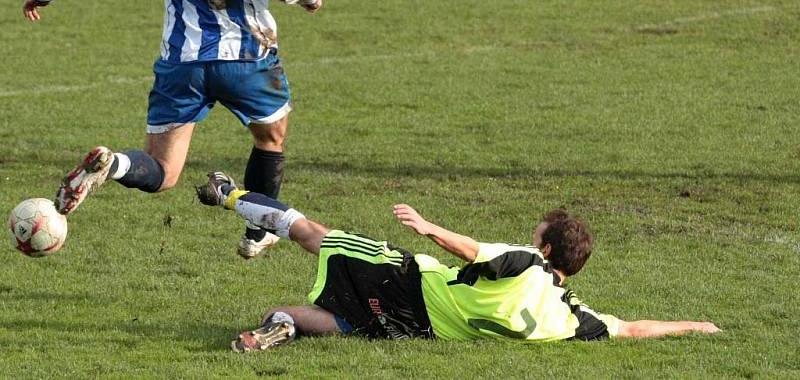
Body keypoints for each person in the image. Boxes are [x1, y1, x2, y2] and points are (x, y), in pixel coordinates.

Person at [23, 0, 322, 259]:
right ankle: (259, 230)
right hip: (247, 59)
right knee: (270, 138)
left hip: (182, 62)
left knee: (162, 169)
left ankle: (114, 166)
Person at [194, 172, 721, 352]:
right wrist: (693, 325)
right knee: (343, 320)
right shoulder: (571, 318)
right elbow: (631, 329)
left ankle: (228, 194)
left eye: (538, 230)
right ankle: (281, 326)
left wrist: (428, 228)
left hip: (410, 283)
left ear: (547, 250)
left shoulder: (525, 263)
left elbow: (472, 251)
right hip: (417, 329)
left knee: (317, 235)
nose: (531, 230)